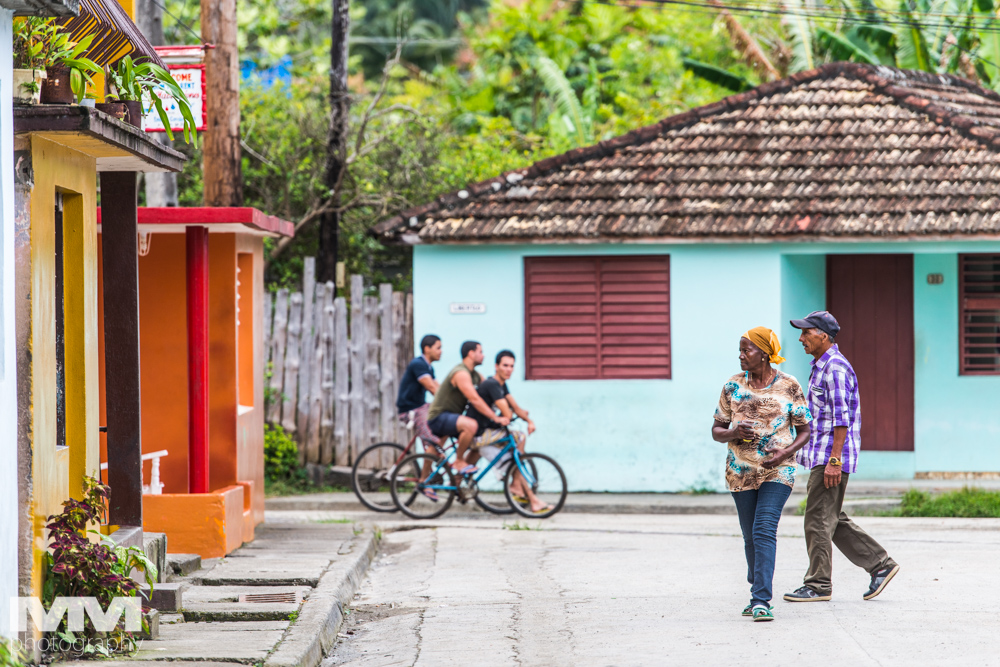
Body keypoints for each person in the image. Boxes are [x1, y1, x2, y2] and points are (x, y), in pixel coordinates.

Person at [775, 311, 899, 603]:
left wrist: (834, 461)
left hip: (830, 457)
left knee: (817, 519)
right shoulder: (821, 366)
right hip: (823, 455)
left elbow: (841, 419)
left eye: (807, 332)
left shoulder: (836, 368)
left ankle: (818, 584)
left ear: (824, 336)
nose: (801, 338)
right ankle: (881, 565)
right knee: (830, 517)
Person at [711, 327, 812, 622]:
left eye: (747, 350)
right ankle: (757, 585)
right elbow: (716, 431)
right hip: (740, 471)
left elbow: (805, 430)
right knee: (749, 536)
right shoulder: (732, 386)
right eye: (740, 351)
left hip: (778, 470)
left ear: (765, 354)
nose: (741, 356)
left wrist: (784, 452)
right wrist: (732, 432)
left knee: (764, 529)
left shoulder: (789, 385)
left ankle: (760, 600)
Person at [465, 350, 551, 514]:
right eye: (505, 365)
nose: (509, 369)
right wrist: (509, 416)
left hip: (488, 431)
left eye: (512, 366)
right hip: (479, 433)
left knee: (519, 439)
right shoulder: (492, 384)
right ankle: (518, 487)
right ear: (496, 366)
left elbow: (516, 408)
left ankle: (517, 484)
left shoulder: (502, 385)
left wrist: (529, 421)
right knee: (517, 444)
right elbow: (508, 412)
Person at [427, 341, 504, 476]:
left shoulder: (475, 375)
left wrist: (507, 410)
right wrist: (495, 417)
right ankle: (459, 460)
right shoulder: (461, 373)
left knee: (477, 441)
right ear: (471, 353)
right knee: (471, 425)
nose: (483, 356)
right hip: (439, 417)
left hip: (453, 418)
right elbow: (475, 399)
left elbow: (490, 392)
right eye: (480, 352)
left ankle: (454, 483)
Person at [397, 334, 444, 454]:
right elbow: (431, 387)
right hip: (412, 410)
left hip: (421, 406)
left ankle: (435, 468)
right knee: (434, 443)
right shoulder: (418, 364)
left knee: (444, 425)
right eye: (438, 348)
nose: (441, 351)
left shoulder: (428, 367)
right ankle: (432, 468)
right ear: (427, 349)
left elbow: (439, 388)